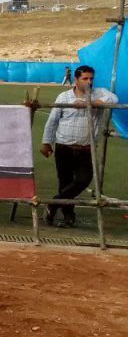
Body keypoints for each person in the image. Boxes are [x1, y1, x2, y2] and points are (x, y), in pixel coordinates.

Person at [40, 65, 118, 227]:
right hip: (64, 147)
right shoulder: (63, 97)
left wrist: (93, 102)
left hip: (86, 148)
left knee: (83, 180)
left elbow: (114, 99)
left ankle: (53, 203)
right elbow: (52, 121)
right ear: (76, 79)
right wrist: (46, 142)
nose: (89, 82)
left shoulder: (100, 92)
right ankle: (68, 217)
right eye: (85, 79)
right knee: (65, 182)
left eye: (91, 79)